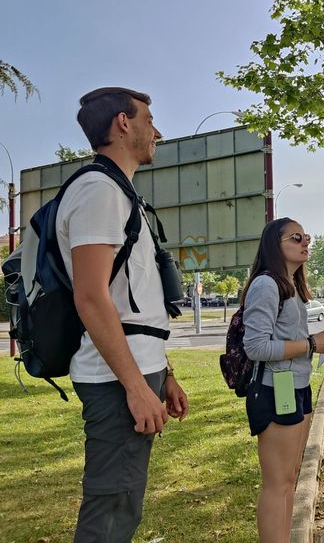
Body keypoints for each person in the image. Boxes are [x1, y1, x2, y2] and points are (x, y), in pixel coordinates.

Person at [62, 87, 189, 542]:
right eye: (149, 120)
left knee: (124, 503)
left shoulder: (118, 191)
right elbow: (91, 297)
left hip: (134, 371)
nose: (158, 132)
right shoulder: (98, 190)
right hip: (115, 381)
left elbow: (130, 298)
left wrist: (163, 373)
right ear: (123, 122)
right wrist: (136, 387)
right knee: (111, 512)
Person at [242, 218, 324, 542]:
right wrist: (310, 344)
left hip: (296, 387)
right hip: (274, 389)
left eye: (306, 236)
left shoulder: (291, 286)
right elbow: (255, 347)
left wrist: (312, 341)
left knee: (290, 478)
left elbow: (283, 338)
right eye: (296, 237)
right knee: (277, 483)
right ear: (274, 245)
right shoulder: (266, 285)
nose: (305, 242)